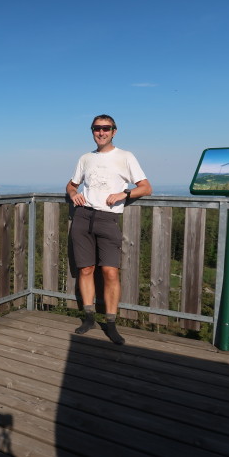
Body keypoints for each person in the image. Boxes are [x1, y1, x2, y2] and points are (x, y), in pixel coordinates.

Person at [66, 114, 152, 345]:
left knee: (110, 272)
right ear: (92, 131)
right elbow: (71, 184)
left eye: (106, 128)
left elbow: (145, 187)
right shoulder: (85, 158)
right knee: (85, 270)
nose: (101, 132)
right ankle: (89, 317)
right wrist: (74, 195)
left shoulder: (125, 156)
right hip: (83, 217)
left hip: (108, 218)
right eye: (97, 128)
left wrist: (124, 194)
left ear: (114, 131)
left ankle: (111, 323)